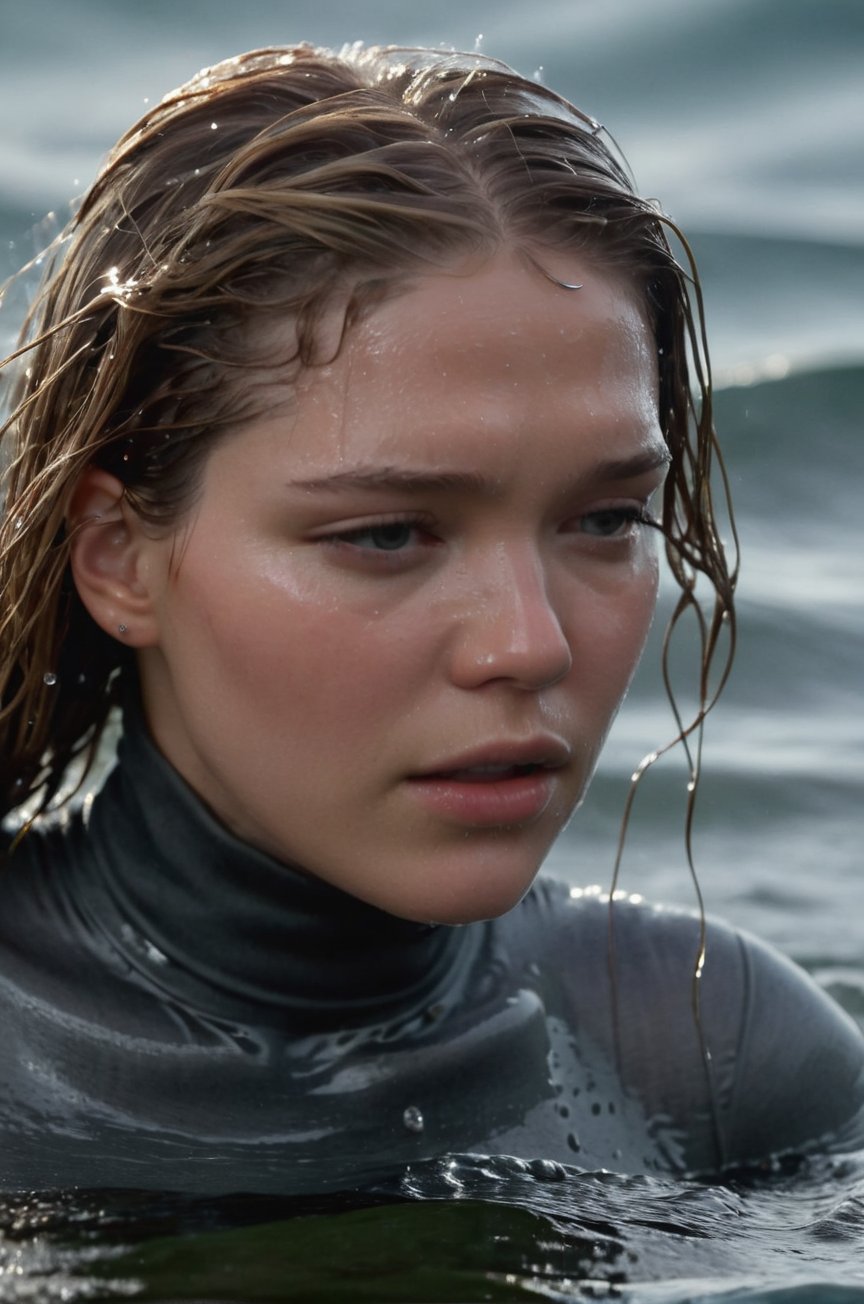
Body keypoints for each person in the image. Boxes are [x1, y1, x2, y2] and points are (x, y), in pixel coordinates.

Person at [0, 43, 861, 1197]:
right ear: (119, 558)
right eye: (388, 533)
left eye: (605, 518)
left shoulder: (716, 1060)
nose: (530, 642)